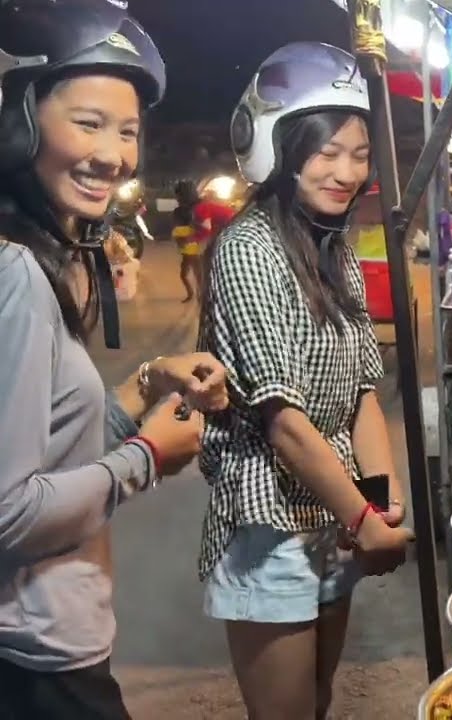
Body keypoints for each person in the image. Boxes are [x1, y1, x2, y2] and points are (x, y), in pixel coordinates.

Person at [0, 4, 229, 718]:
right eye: (89, 122)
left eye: (128, 131)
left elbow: (49, 447)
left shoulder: (35, 258)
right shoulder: (15, 274)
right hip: (35, 657)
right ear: (22, 122)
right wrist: (146, 457)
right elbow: (9, 512)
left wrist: (140, 385)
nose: (115, 154)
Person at [198, 42, 415, 719]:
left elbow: (362, 398)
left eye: (358, 153)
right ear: (279, 147)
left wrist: (382, 501)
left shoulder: (335, 253)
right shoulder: (248, 250)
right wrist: (362, 515)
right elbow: (283, 420)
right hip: (270, 529)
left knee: (316, 701)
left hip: (332, 517)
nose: (346, 171)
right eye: (326, 152)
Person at [172, 179, 202, 301]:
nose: (177, 197)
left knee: (193, 273)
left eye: (178, 194)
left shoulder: (191, 209)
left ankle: (197, 295)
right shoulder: (186, 209)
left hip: (192, 245)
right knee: (193, 273)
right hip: (189, 245)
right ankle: (195, 295)